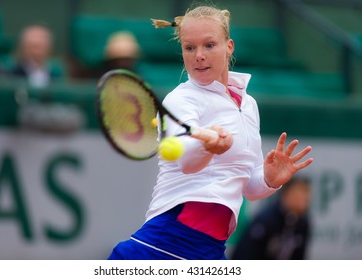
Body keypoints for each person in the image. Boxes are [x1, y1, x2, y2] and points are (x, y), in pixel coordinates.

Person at [107, 5, 313, 260]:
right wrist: (208, 146)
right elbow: (186, 161)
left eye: (209, 45)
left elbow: (247, 185)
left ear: (229, 47)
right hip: (165, 243)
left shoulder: (248, 105)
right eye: (189, 47)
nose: (199, 55)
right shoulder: (181, 100)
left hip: (211, 250)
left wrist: (271, 179)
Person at [230, 176, 312, 260]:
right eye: (298, 195)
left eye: (306, 195)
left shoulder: (303, 224)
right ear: (285, 194)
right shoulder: (266, 221)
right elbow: (247, 254)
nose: (303, 200)